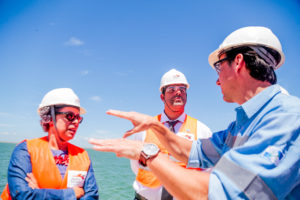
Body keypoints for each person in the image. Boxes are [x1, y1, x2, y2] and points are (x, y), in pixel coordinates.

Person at [89, 26, 300, 199]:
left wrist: (146, 153)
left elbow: (223, 193)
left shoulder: (288, 118)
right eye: (172, 90)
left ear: (238, 62)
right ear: (162, 95)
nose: (217, 80)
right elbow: (195, 152)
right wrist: (154, 126)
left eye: (219, 67)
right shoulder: (242, 124)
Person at [1, 88, 99, 200]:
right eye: (70, 116)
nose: (76, 122)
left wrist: (38, 193)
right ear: (49, 117)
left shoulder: (83, 156)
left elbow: (92, 197)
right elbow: (23, 195)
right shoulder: (25, 150)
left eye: (78, 118)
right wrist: (71, 194)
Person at [130, 69, 212, 200]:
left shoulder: (202, 130)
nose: (178, 92)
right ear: (162, 96)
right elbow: (136, 166)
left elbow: (208, 173)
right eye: (171, 89)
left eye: (182, 89)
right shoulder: (145, 127)